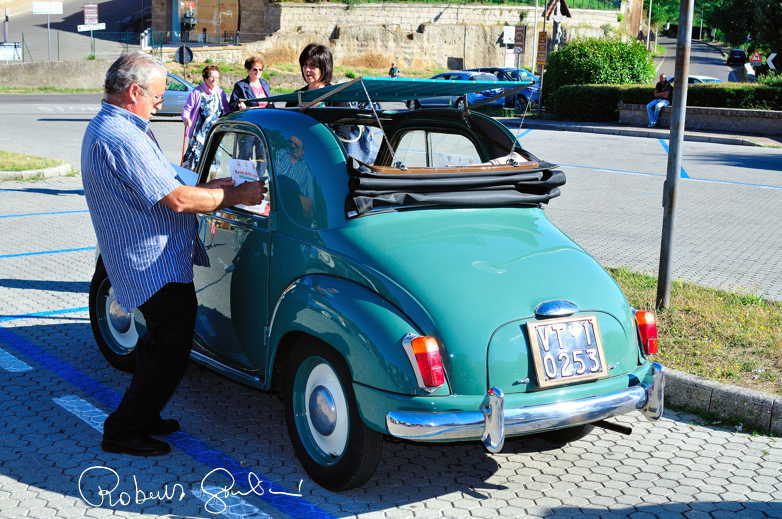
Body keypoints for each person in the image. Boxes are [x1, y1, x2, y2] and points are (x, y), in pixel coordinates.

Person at [81, 51, 264, 457]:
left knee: (159, 344)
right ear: (134, 92)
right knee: (171, 346)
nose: (162, 104)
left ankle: (143, 415)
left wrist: (209, 184)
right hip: (151, 265)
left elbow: (164, 180)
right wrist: (235, 194)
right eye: (158, 97)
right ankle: (124, 430)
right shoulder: (122, 135)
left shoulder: (115, 125)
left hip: (146, 260)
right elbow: (178, 200)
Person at [181, 65, 230, 170]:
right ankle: (193, 184)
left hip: (215, 133)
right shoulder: (197, 92)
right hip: (199, 134)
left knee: (215, 162)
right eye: (212, 77)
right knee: (195, 161)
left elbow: (226, 109)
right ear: (205, 77)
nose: (214, 80)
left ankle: (211, 184)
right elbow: (187, 109)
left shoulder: (220, 92)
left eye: (217, 78)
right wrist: (186, 119)